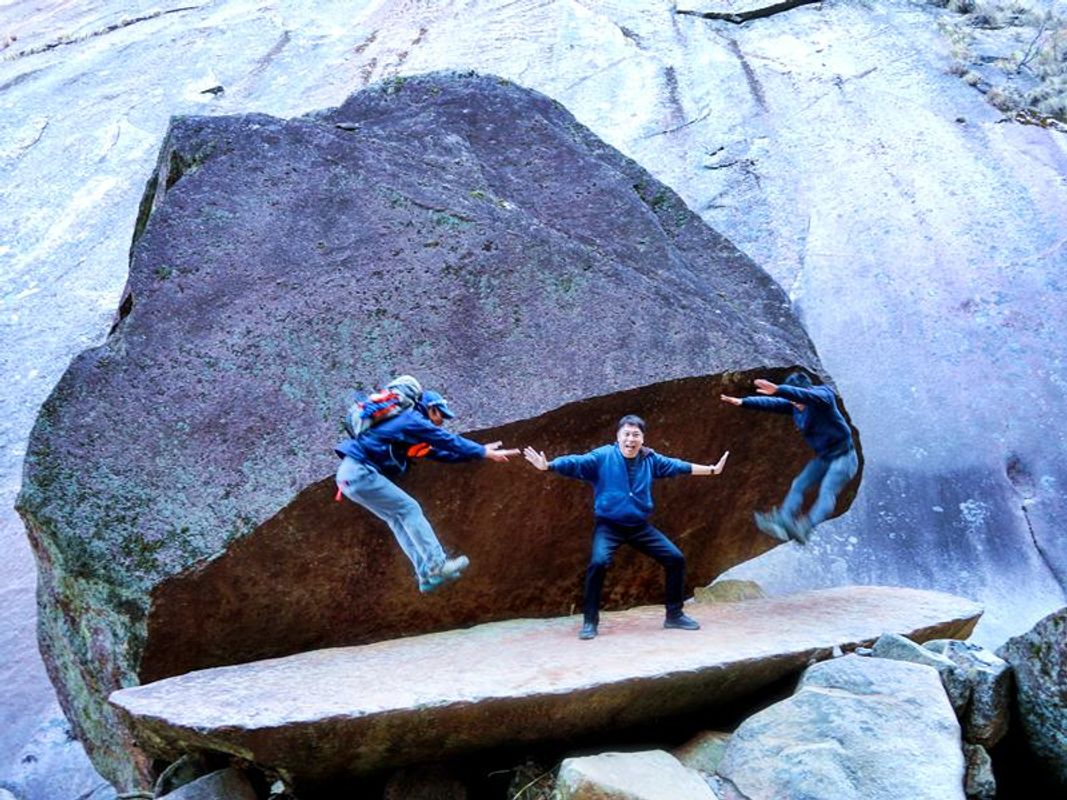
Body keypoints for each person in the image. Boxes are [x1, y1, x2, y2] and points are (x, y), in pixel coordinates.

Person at [523, 414, 729, 640]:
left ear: (643, 438)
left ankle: (674, 615)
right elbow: (577, 462)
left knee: (675, 559)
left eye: (636, 435)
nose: (631, 439)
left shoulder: (650, 459)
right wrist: (549, 466)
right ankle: (590, 621)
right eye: (627, 434)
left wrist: (712, 469)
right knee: (598, 563)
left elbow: (678, 466)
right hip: (609, 526)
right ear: (618, 437)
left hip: (639, 527)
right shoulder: (603, 456)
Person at [335, 376, 519, 593]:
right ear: (428, 407)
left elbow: (442, 452)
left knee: (397, 517)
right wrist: (482, 451)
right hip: (359, 474)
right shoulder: (408, 419)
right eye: (440, 414)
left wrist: (478, 453)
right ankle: (437, 565)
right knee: (409, 509)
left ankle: (426, 575)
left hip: (348, 478)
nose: (441, 421)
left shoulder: (403, 430)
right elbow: (445, 439)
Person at [720, 371, 857, 544]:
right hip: (825, 457)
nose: (795, 404)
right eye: (792, 400)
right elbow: (773, 403)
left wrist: (779, 389)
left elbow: (804, 395)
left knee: (827, 490)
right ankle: (784, 519)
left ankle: (805, 528)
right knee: (799, 484)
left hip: (845, 458)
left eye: (797, 399)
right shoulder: (794, 405)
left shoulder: (823, 397)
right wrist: (743, 402)